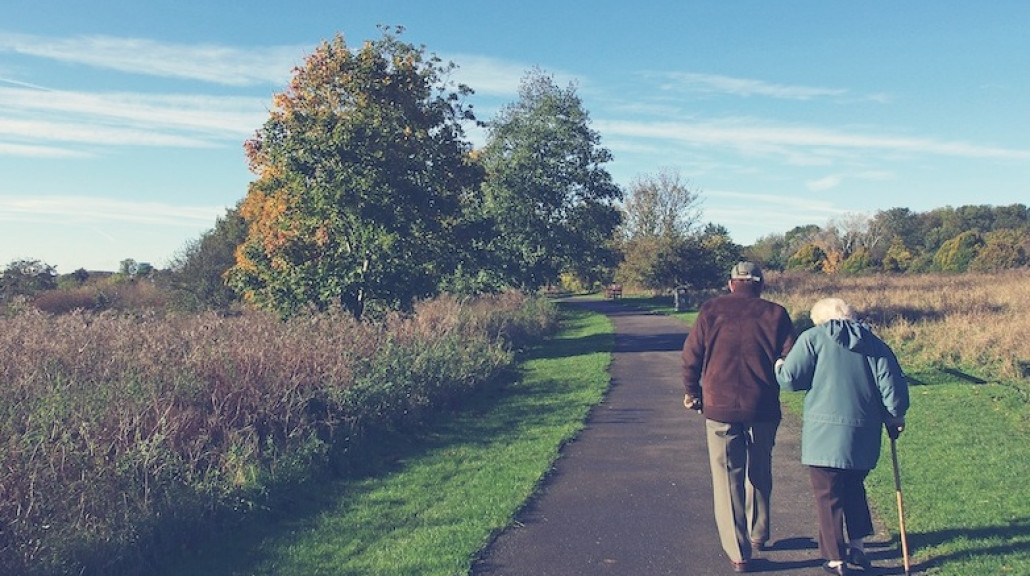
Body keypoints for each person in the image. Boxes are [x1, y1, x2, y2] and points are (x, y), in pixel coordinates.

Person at [775, 298, 909, 576]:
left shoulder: (812, 339)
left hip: (823, 435)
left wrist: (778, 365)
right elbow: (892, 389)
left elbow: (790, 379)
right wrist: (895, 416)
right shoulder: (875, 343)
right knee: (854, 487)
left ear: (819, 320)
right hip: (864, 433)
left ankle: (835, 558)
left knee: (828, 494)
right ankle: (857, 546)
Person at [681, 261, 796, 573]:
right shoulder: (777, 313)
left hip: (720, 406)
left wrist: (692, 391)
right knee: (760, 469)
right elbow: (791, 358)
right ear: (760, 285)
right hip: (763, 406)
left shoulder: (711, 310)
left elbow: (691, 355)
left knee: (727, 477)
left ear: (731, 283)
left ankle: (739, 551)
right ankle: (759, 532)